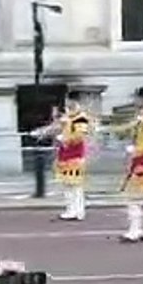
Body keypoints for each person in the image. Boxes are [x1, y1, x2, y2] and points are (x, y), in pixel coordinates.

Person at [109, 85, 143, 242]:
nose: (134, 100)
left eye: (137, 98)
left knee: (142, 199)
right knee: (141, 199)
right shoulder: (141, 117)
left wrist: (135, 150)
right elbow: (128, 130)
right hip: (139, 164)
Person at [49, 91, 91, 221]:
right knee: (67, 184)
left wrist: (64, 138)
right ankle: (71, 209)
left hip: (75, 155)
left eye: (68, 100)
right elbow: (57, 127)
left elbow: (80, 136)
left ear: (74, 101)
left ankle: (78, 210)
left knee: (75, 185)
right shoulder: (68, 116)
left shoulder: (80, 117)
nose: (67, 103)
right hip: (65, 154)